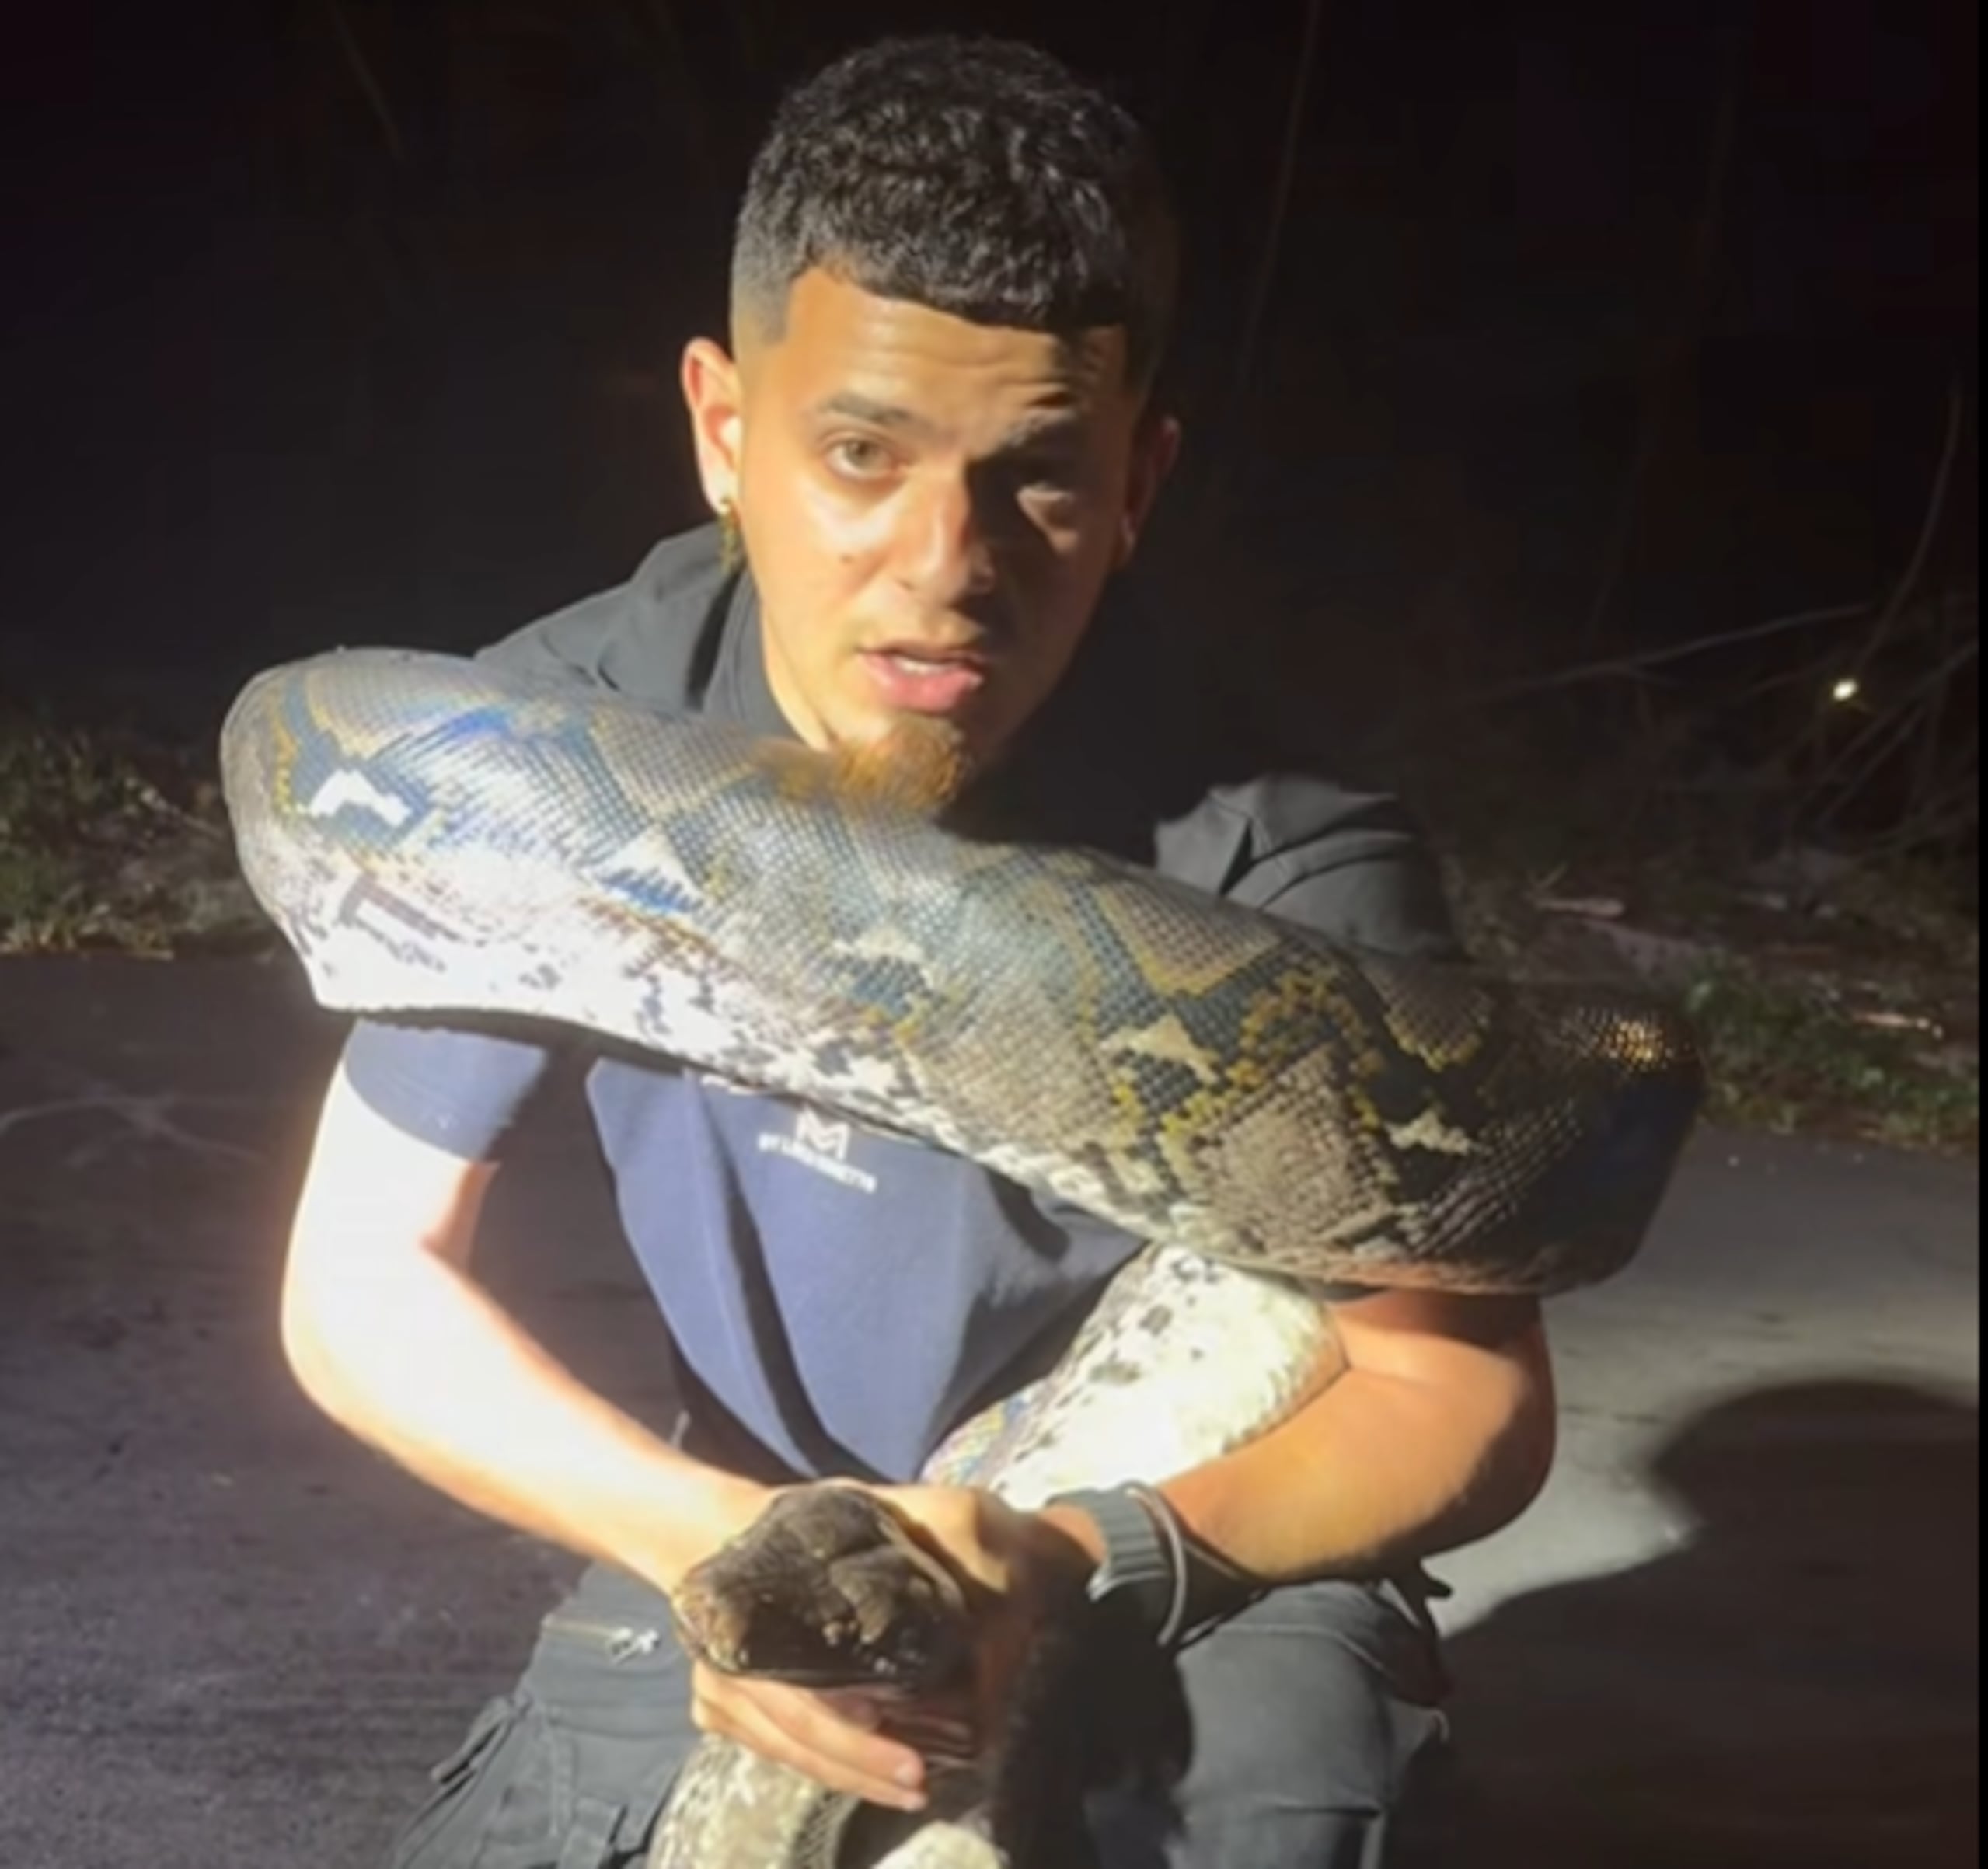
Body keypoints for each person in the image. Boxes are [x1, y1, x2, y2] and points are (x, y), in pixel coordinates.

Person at [277, 33, 1558, 1869]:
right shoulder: (546, 755)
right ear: (724, 431)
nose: (945, 565)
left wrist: (1084, 1554)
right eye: (861, 454)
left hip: (1181, 1516)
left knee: (1272, 1808)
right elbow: (362, 1275)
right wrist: (703, 1541)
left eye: (1038, 478)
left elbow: (1457, 1390)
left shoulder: (1279, 856)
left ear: (1139, 480)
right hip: (761, 1501)